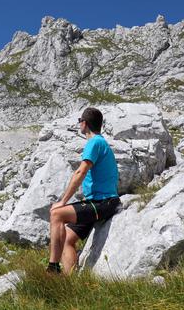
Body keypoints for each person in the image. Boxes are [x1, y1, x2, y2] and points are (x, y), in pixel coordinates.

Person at [46, 107, 121, 275]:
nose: (79, 123)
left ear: (84, 123)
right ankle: (69, 280)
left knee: (57, 214)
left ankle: (53, 267)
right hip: (97, 201)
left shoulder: (94, 142)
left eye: (79, 120)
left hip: (103, 202)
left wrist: (63, 201)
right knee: (66, 238)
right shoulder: (100, 142)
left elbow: (80, 171)